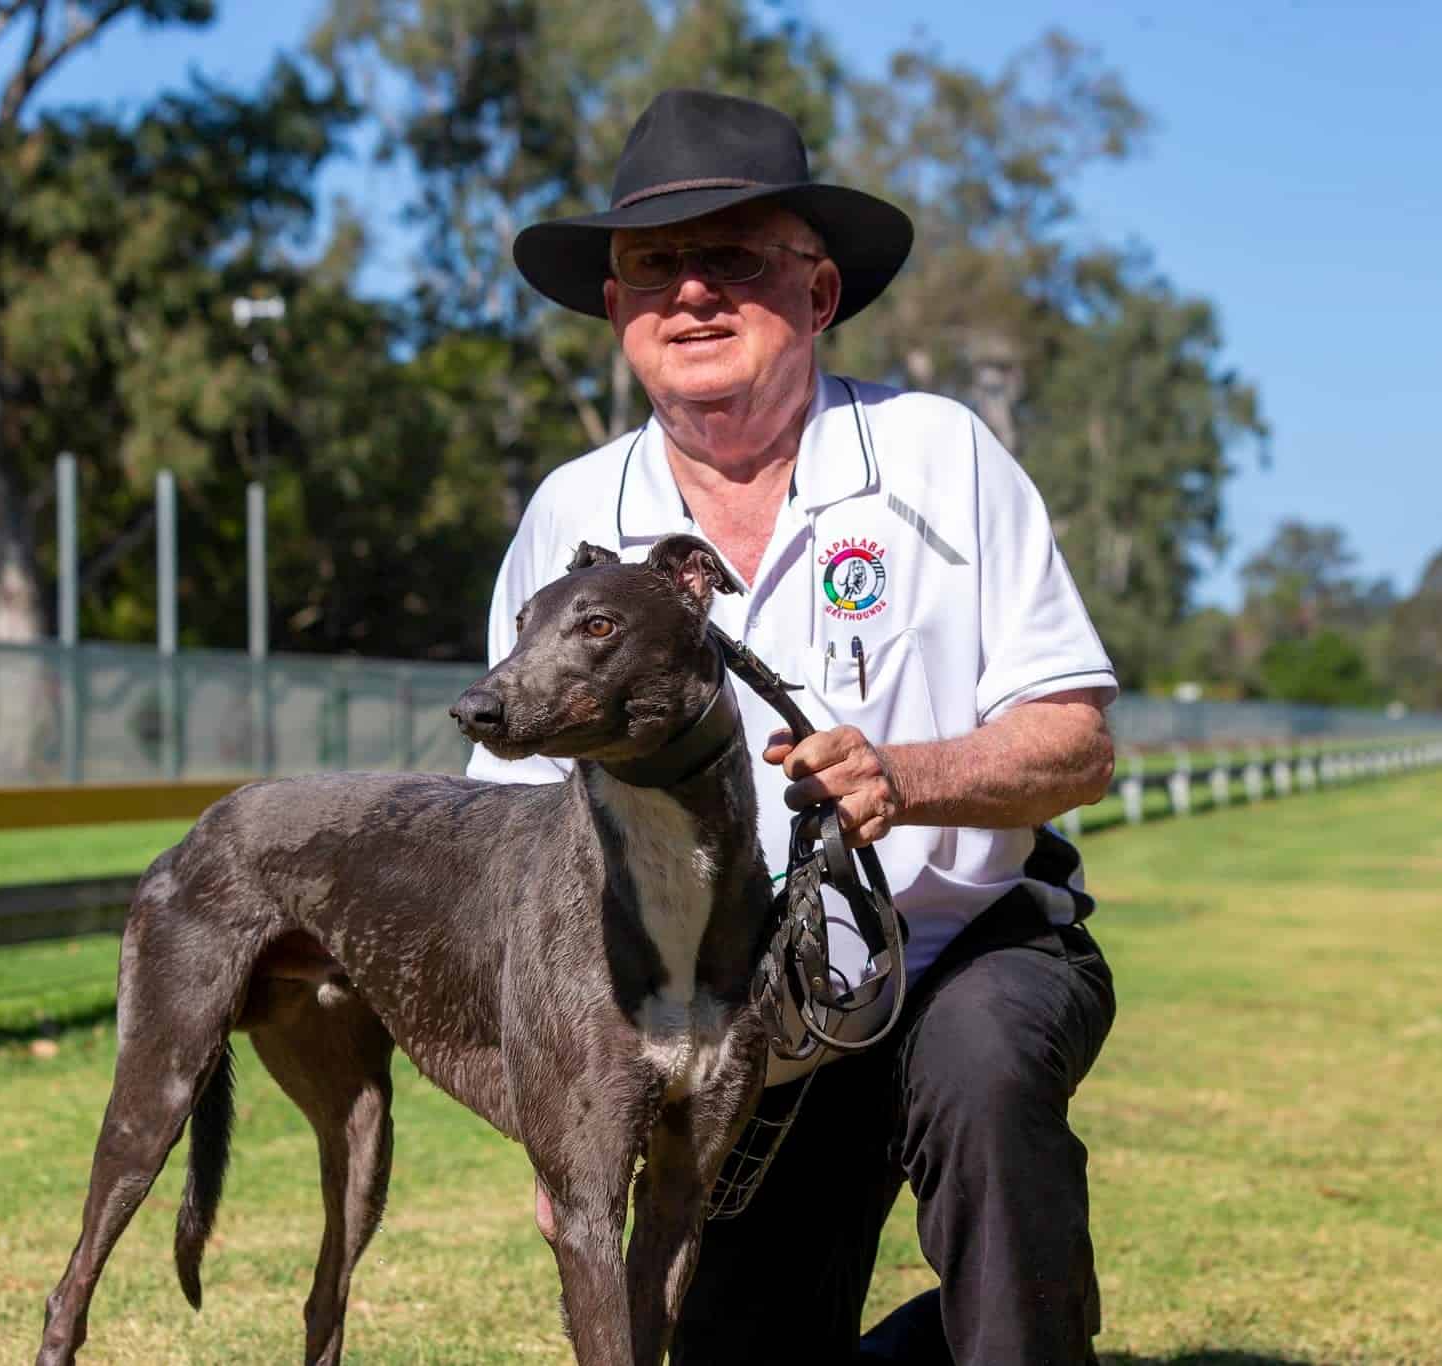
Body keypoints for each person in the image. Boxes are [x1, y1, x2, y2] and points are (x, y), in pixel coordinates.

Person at [470, 89, 1120, 1365]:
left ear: (817, 295)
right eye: (656, 267)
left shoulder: (938, 454)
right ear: (616, 312)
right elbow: (507, 839)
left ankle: (1025, 1321)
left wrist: (907, 774)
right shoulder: (569, 516)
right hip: (728, 1025)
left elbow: (1075, 742)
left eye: (734, 259)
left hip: (952, 951)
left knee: (987, 1089)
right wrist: (559, 1114)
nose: (693, 294)